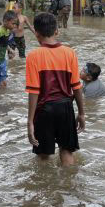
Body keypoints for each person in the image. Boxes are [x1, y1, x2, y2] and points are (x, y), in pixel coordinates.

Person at [25, 12, 86, 166]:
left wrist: (30, 121)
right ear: (57, 31)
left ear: (36, 33)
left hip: (44, 110)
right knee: (67, 152)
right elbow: (76, 87)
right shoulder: (70, 53)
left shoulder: (33, 56)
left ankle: (47, 189)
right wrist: (82, 113)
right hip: (66, 108)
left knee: (43, 156)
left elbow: (34, 91)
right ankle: (68, 186)